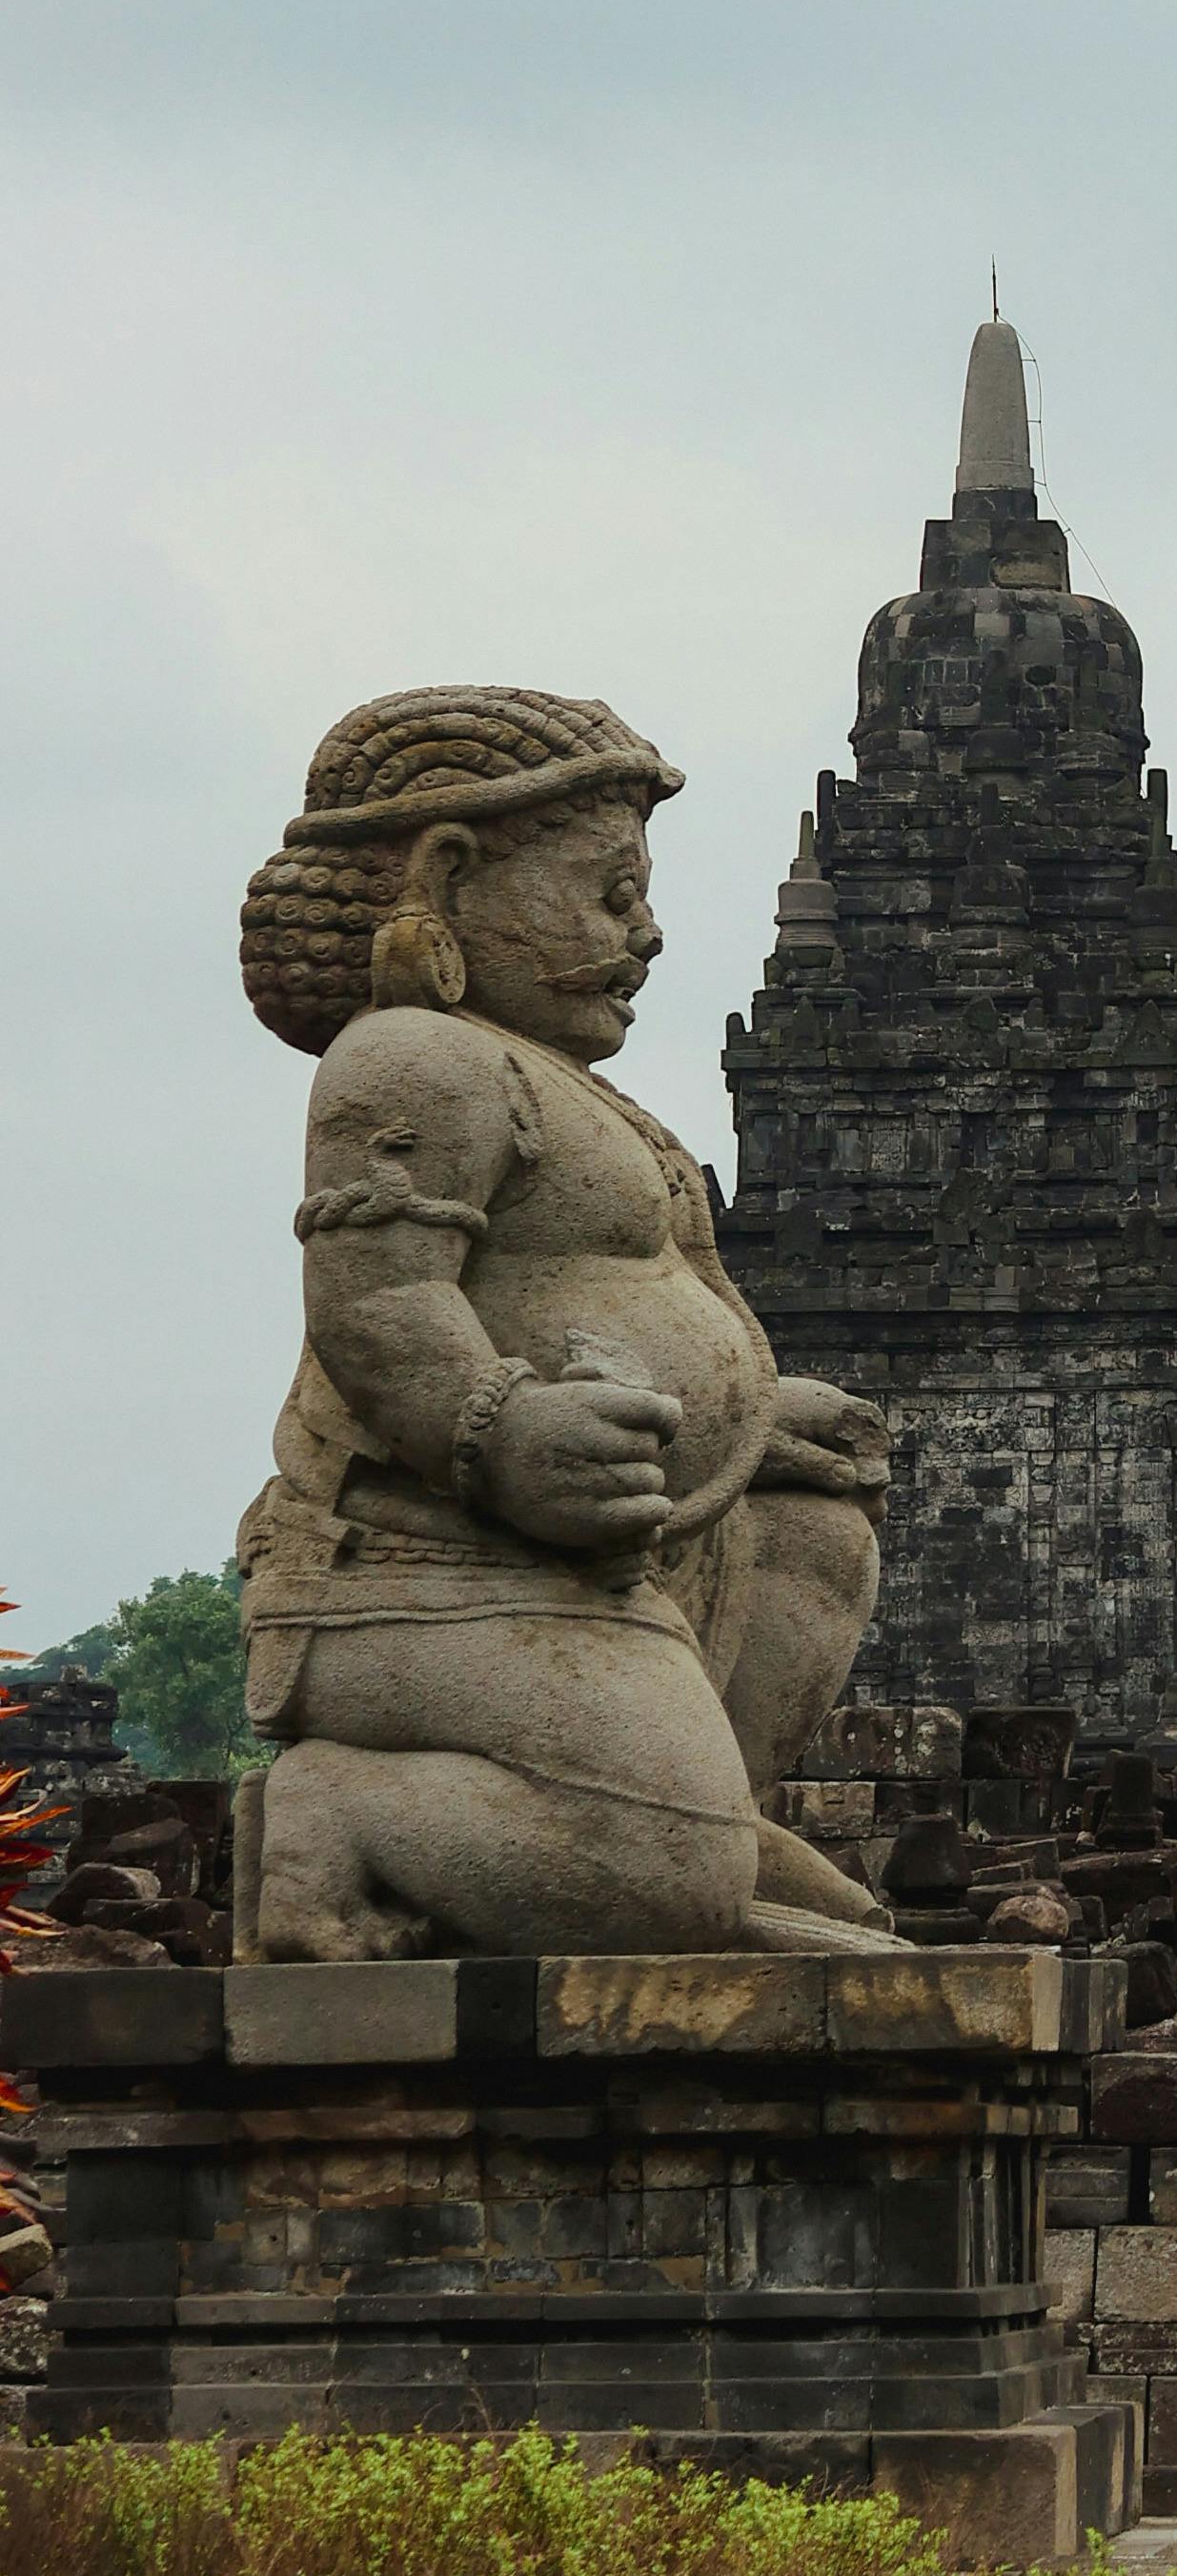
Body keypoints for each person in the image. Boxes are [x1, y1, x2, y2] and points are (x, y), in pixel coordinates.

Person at [231, 684, 895, 1959]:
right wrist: (502, 1427)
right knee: (663, 1869)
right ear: (451, 872)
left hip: (608, 1568)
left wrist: (745, 1423)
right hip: (423, 1574)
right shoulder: (412, 1057)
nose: (642, 936)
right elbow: (378, 1307)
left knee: (811, 1515)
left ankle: (690, 1836)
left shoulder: (568, 1089)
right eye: (608, 893)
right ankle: (355, 1813)